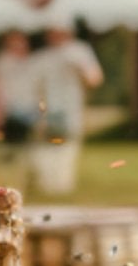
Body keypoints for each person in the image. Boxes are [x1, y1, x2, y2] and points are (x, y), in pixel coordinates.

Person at [30, 24, 104, 195]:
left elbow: (95, 79)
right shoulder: (43, 56)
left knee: (67, 146)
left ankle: (62, 185)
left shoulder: (79, 51)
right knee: (46, 146)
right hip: (47, 109)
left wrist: (79, 69)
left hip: (71, 108)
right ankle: (47, 184)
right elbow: (33, 85)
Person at [0, 30, 40, 145]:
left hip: (31, 111)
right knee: (12, 144)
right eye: (14, 42)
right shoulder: (2, 62)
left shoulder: (33, 62)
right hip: (10, 112)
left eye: (21, 42)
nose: (20, 45)